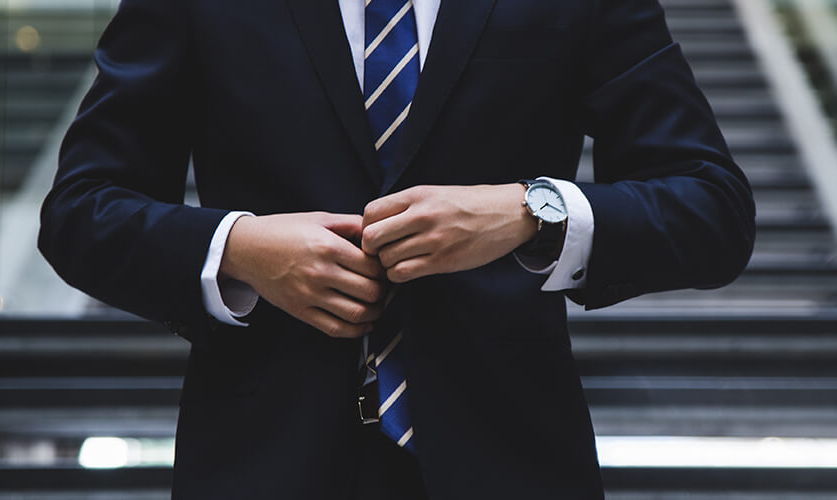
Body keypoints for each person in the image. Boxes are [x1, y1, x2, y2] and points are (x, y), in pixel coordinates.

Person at [38, 0, 756, 497]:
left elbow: (712, 207)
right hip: (261, 460)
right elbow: (80, 210)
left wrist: (532, 209)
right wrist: (238, 248)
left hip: (511, 461)